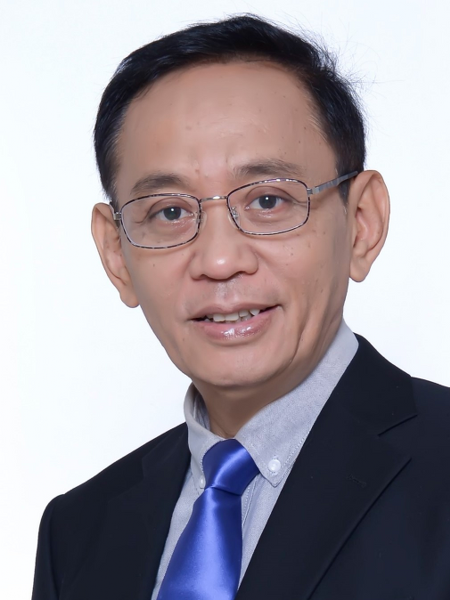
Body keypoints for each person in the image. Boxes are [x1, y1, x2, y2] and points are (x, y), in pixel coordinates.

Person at [31, 14, 450, 600]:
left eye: (269, 201)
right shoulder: (78, 532)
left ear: (361, 223)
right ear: (116, 255)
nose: (220, 260)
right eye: (169, 212)